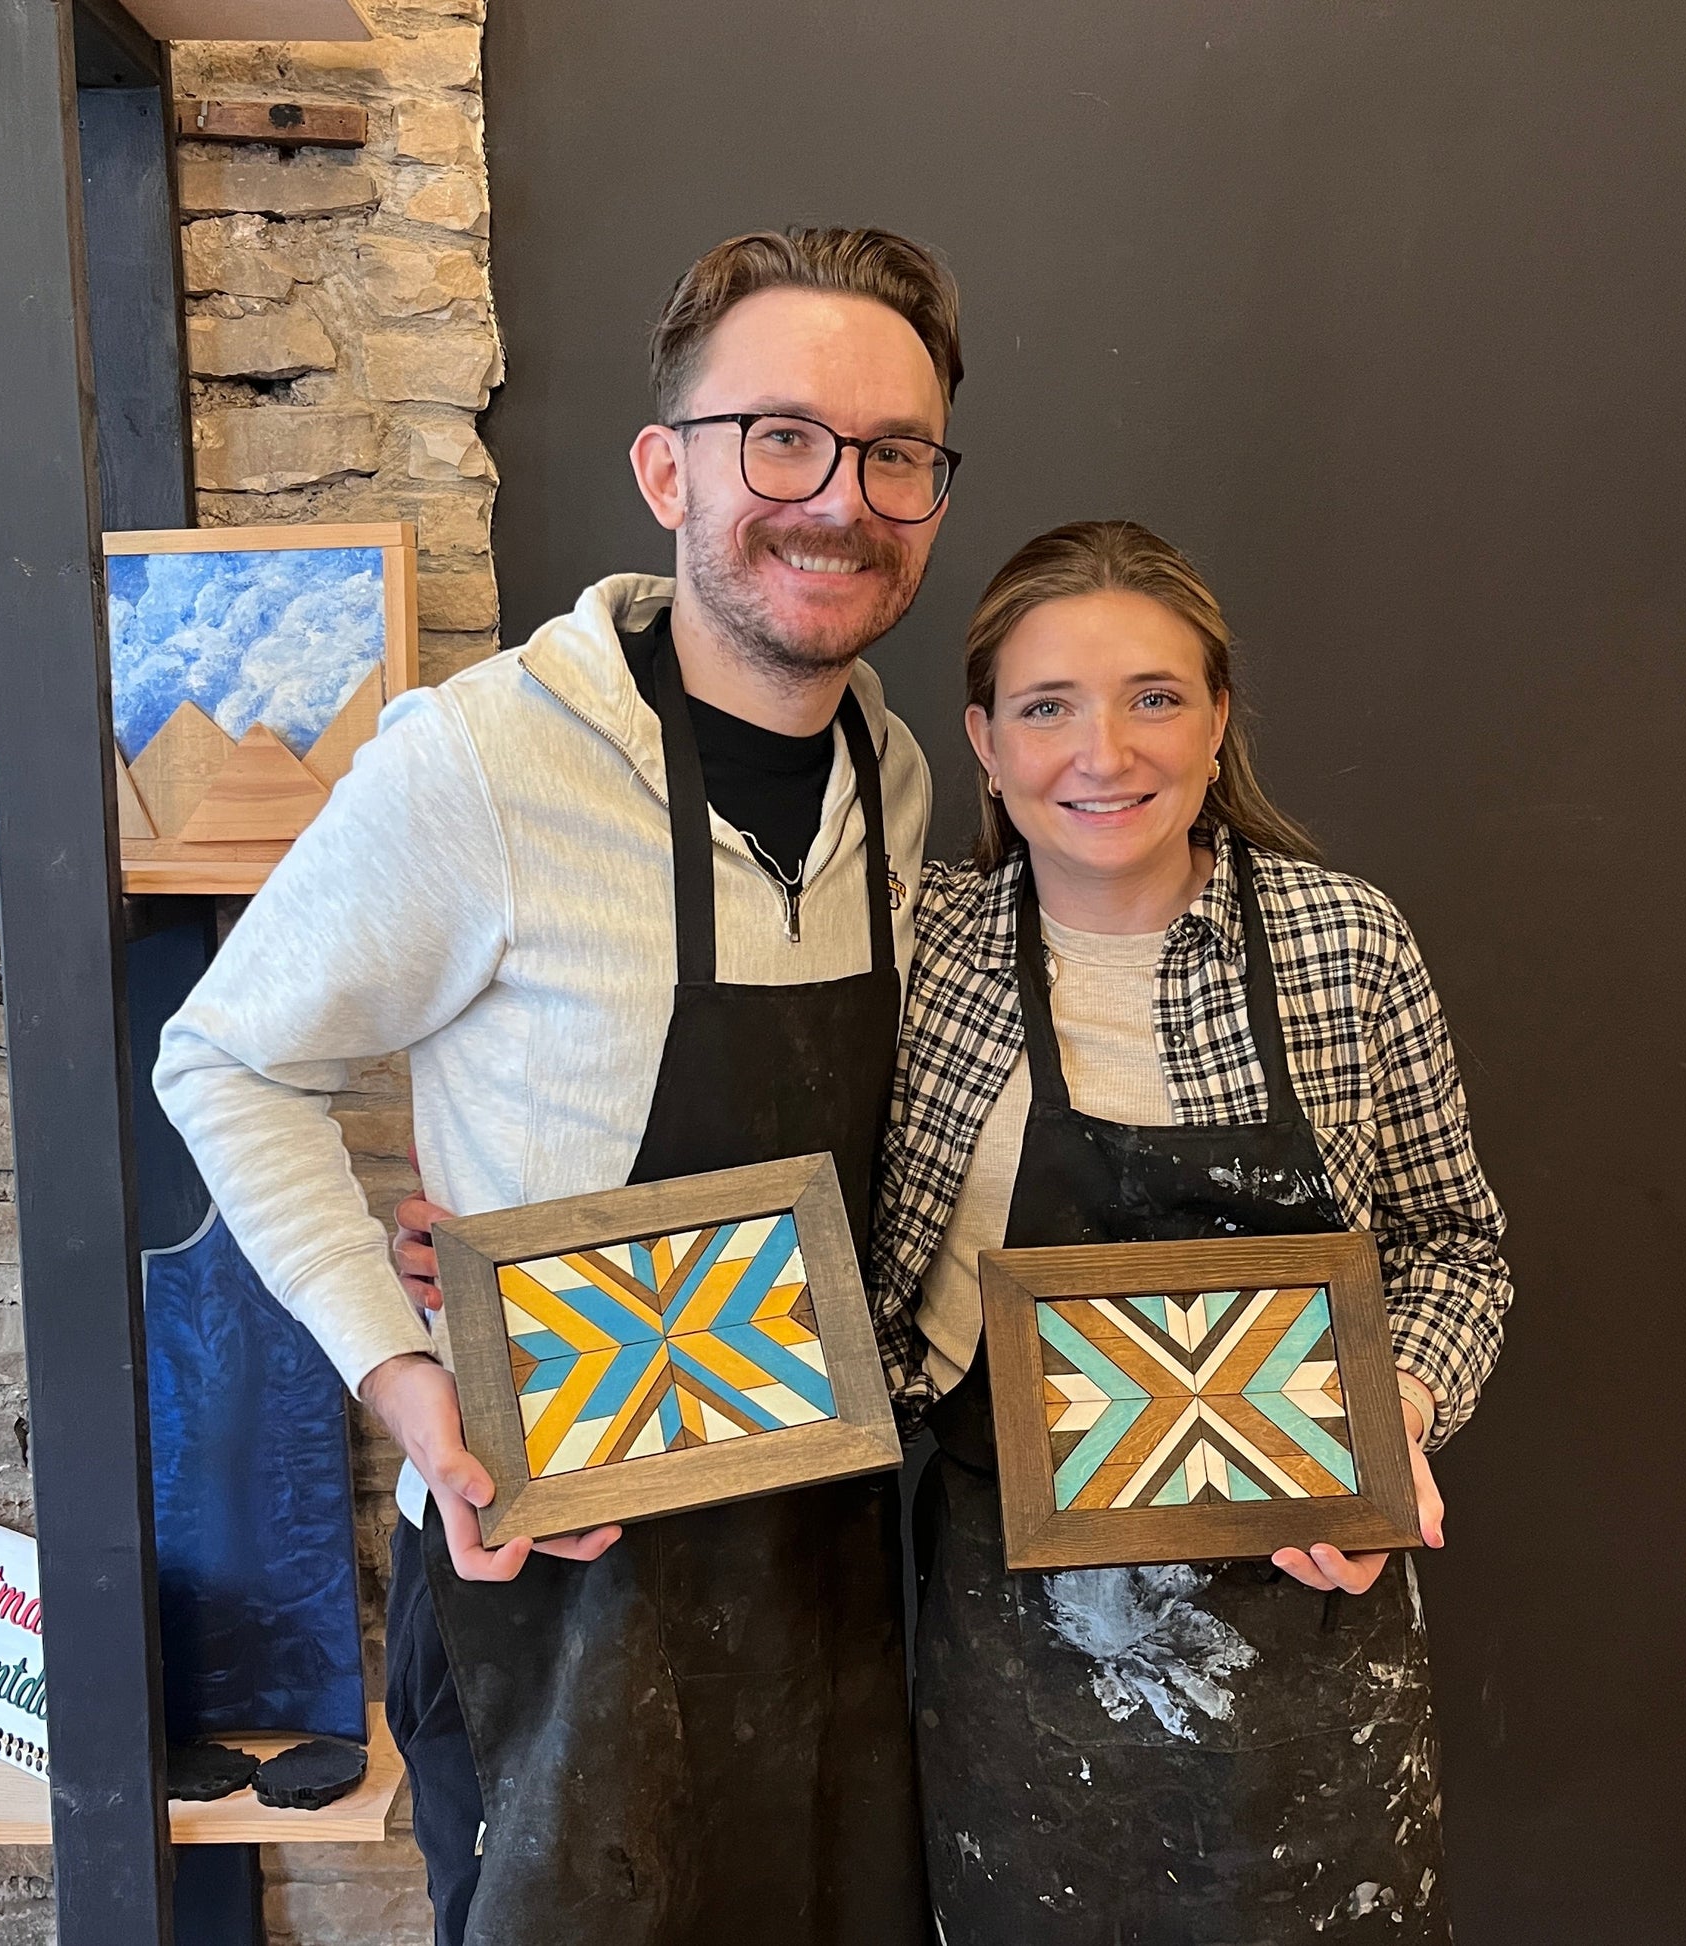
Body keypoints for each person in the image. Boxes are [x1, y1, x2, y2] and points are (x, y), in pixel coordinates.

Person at [155, 226, 963, 1946]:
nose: (838, 495)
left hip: (837, 1572)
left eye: (895, 453)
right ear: (664, 467)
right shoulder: (483, 758)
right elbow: (224, 1058)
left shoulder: (895, 778)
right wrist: (400, 1373)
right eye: (782, 437)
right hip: (569, 1581)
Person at [865, 520, 1512, 1943]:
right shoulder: (918, 953)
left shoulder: (1347, 942)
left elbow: (1451, 1244)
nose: (1103, 752)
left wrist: (1386, 1417)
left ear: (1217, 719)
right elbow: (825, 1268)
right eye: (1046, 706)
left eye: (1154, 695)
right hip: (1014, 1641)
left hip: (1310, 1624)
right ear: (980, 738)